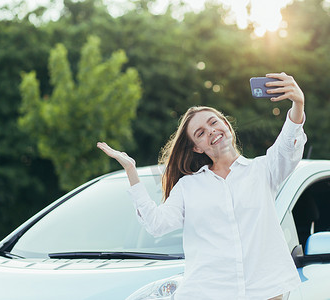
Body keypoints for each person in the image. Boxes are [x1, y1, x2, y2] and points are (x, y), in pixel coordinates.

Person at [97, 72, 307, 300]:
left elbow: (288, 144)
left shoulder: (263, 170)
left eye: (213, 122)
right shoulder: (189, 187)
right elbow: (157, 224)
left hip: (265, 291)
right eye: (201, 133)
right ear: (197, 147)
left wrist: (298, 103)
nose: (211, 132)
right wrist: (131, 171)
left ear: (226, 124)